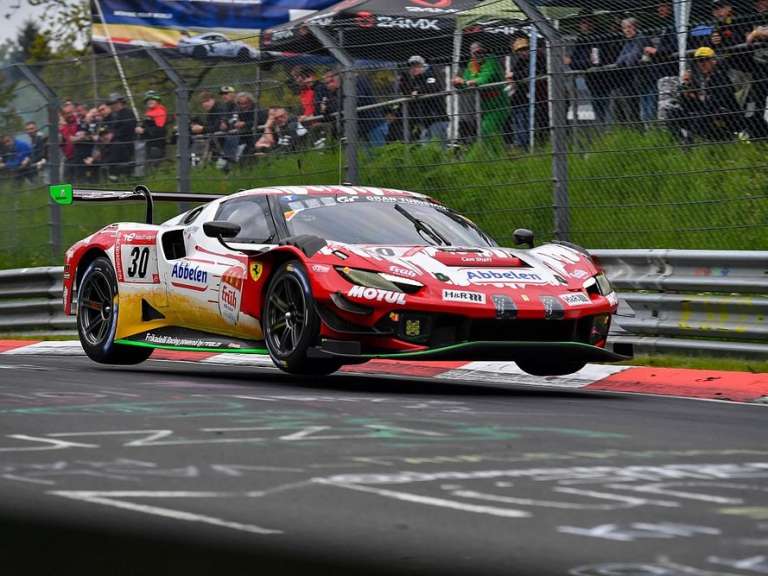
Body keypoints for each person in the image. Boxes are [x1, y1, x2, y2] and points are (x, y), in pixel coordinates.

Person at [669, 46, 742, 144]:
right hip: (703, 112)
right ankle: (680, 141)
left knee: (700, 116)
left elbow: (717, 102)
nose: (702, 63)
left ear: (714, 61)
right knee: (672, 113)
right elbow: (686, 105)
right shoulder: (697, 78)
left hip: (724, 114)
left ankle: (717, 140)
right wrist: (685, 89)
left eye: (705, 60)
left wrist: (696, 97)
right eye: (699, 61)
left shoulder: (721, 77)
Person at [567, 11, 621, 127]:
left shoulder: (599, 37)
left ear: (593, 23)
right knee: (597, 104)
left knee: (607, 104)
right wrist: (579, 63)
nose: (584, 25)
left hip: (604, 77)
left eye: (587, 22)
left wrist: (577, 62)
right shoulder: (581, 39)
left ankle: (609, 129)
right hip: (591, 79)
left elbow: (596, 62)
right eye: (582, 23)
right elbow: (573, 62)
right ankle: (601, 130)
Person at [453, 42, 507, 139]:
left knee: (487, 130)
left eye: (480, 52)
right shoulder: (471, 64)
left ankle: (492, 151)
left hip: (499, 103)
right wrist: (458, 84)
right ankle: (496, 151)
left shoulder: (491, 60)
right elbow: (466, 83)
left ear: (485, 51)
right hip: (483, 105)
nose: (478, 55)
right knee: (489, 132)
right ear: (471, 54)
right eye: (475, 53)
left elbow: (483, 79)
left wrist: (464, 82)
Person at [504, 36, 548, 150]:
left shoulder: (538, 56)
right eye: (519, 51)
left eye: (525, 49)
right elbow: (515, 72)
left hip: (544, 94)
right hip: (532, 95)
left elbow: (529, 71)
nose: (523, 52)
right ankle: (527, 146)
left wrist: (513, 76)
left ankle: (542, 144)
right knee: (530, 120)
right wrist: (512, 77)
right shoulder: (522, 60)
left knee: (544, 121)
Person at [613, 17, 654, 127]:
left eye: (629, 27)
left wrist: (627, 57)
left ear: (635, 27)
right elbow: (618, 62)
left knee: (650, 113)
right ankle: (650, 137)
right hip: (640, 82)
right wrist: (628, 57)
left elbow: (631, 61)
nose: (626, 30)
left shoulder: (641, 39)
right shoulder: (629, 42)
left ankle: (656, 137)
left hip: (650, 80)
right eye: (624, 28)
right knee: (643, 114)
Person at [398, 55, 448, 143]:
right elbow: (407, 93)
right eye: (412, 66)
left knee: (439, 147)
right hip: (425, 122)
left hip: (437, 118)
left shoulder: (431, 75)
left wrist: (418, 92)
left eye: (417, 66)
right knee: (426, 149)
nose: (413, 68)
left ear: (423, 66)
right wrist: (403, 80)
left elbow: (433, 87)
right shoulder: (415, 80)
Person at [105, 92, 137, 181]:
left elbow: (129, 127)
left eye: (114, 103)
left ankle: (114, 174)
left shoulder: (127, 113)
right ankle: (113, 175)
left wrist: (113, 134)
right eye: (111, 104)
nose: (113, 106)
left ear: (120, 102)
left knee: (116, 147)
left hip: (126, 143)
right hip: (116, 143)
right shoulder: (114, 115)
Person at [135, 90, 167, 163]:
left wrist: (144, 130)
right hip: (148, 144)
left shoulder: (160, 112)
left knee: (153, 165)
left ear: (157, 101)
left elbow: (160, 130)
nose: (150, 101)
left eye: (152, 99)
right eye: (148, 100)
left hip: (156, 145)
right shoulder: (149, 112)